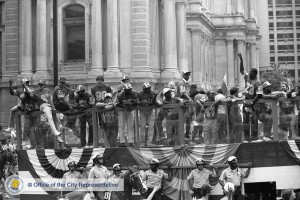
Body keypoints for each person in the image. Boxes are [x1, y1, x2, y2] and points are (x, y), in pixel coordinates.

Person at [138, 82, 157, 147]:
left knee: (151, 126)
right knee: (142, 126)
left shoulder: (153, 93)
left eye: (149, 88)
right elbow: (137, 102)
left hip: (151, 110)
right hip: (143, 111)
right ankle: (142, 142)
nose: (148, 89)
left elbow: (156, 101)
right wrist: (141, 103)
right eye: (147, 88)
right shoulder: (140, 94)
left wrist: (152, 103)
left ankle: (149, 142)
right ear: (144, 89)